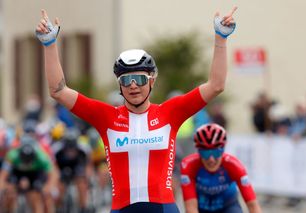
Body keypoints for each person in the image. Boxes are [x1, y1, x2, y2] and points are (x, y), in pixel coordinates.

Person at [35, 6, 237, 212]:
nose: (133, 85)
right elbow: (58, 91)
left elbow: (216, 85)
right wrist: (49, 44)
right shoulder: (106, 117)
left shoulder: (170, 112)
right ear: (119, 85)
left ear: (152, 81)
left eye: (140, 79)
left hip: (163, 207)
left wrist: (221, 38)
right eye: (126, 80)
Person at [180, 123, 262, 213]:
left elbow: (253, 206)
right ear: (198, 152)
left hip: (228, 207)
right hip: (201, 208)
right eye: (205, 153)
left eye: (216, 152)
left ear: (223, 150)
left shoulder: (234, 165)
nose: (211, 159)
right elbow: (190, 208)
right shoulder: (188, 165)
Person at [0, 136, 55, 213]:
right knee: (9, 193)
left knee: (36, 196)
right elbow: (3, 175)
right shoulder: (12, 155)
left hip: (35, 174)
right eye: (24, 159)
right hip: (17, 173)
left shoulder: (42, 156)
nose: (26, 164)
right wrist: (4, 187)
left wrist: (48, 186)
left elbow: (52, 173)